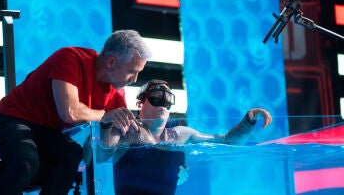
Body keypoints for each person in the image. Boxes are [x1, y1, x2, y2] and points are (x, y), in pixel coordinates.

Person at [0, 29, 151, 195]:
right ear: (110, 62)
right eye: (132, 71)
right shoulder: (70, 58)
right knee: (26, 163)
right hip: (9, 121)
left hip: (44, 132)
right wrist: (106, 115)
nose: (135, 79)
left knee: (71, 155)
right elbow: (70, 112)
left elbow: (103, 151)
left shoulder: (117, 93)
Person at [96, 79, 272, 195]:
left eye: (168, 98)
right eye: (157, 97)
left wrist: (249, 119)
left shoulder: (180, 135)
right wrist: (106, 123)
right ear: (140, 104)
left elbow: (228, 141)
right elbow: (102, 154)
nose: (163, 103)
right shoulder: (128, 128)